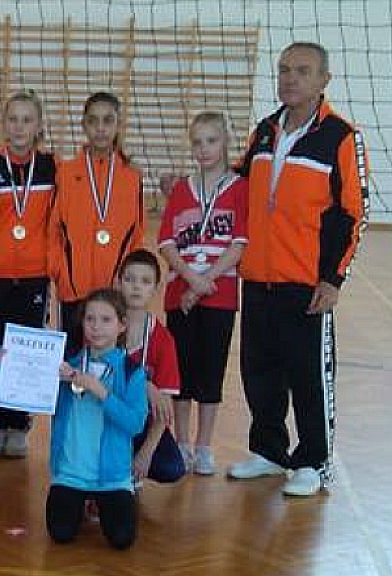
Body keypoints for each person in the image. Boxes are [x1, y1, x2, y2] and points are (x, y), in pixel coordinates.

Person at [228, 42, 367, 497]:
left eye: (303, 71)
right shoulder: (265, 131)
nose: (290, 78)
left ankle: (313, 461)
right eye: (284, 69)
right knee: (259, 370)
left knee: (308, 376)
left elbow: (354, 213)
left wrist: (333, 278)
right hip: (258, 277)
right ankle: (269, 451)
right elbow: (238, 184)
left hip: (307, 284)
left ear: (324, 80)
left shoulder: (341, 137)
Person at [158, 111, 248, 475]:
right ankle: (182, 443)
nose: (204, 149)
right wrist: (190, 279)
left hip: (219, 293)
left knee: (211, 372)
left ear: (226, 142)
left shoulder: (240, 188)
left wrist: (205, 279)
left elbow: (239, 244)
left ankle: (204, 446)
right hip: (180, 293)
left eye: (211, 140)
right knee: (180, 371)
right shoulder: (182, 189)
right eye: (197, 142)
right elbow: (166, 242)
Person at [0, 89, 57, 457]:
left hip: (35, 276)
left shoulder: (52, 169)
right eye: (13, 119)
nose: (19, 127)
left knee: (25, 353)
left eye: (27, 120)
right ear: (4, 124)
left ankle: (18, 424)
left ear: (38, 126)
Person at [48, 288, 147, 550]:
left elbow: (135, 424)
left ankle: (102, 502)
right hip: (70, 473)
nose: (96, 327)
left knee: (122, 539)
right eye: (90, 319)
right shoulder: (66, 366)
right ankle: (79, 503)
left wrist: (102, 392)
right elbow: (34, 394)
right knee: (60, 533)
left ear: (122, 325)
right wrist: (13, 362)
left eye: (106, 320)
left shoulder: (132, 372)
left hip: (112, 476)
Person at [47, 92, 144, 358]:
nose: (100, 128)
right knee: (72, 361)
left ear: (118, 125)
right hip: (73, 289)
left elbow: (136, 235)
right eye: (93, 121)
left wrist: (125, 281)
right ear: (84, 125)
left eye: (108, 120)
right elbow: (53, 229)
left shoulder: (132, 176)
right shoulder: (66, 172)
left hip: (114, 290)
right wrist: (59, 273)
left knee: (110, 363)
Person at [116, 250, 184, 484]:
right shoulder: (104, 325)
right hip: (106, 417)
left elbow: (164, 409)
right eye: (130, 279)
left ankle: (131, 466)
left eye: (145, 281)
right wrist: (143, 384)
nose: (136, 287)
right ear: (118, 282)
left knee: (171, 467)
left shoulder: (163, 339)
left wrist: (146, 454)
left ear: (155, 289)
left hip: (140, 422)